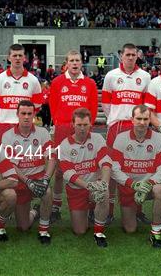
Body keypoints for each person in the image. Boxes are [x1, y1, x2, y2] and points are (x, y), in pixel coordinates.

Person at [102, 43, 151, 223]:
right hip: (116, 126)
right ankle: (109, 211)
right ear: (121, 56)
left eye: (133, 55)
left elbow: (146, 106)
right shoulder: (111, 75)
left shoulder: (145, 77)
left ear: (137, 56)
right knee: (112, 168)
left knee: (137, 167)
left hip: (137, 127)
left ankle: (137, 210)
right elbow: (106, 104)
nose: (130, 58)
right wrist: (116, 118)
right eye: (127, 55)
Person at [49, 50, 98, 222]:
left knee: (87, 167)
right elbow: (53, 104)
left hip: (83, 129)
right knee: (60, 170)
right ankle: (56, 206)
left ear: (81, 63)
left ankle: (92, 205)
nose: (75, 63)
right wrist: (59, 121)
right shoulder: (57, 82)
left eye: (77, 60)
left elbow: (93, 106)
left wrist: (86, 125)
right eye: (72, 61)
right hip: (63, 128)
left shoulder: (90, 83)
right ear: (66, 63)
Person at [110, 105, 161, 248]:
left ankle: (155, 232)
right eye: (139, 119)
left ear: (150, 120)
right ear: (132, 119)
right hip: (129, 187)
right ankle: (132, 212)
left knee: (160, 189)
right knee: (130, 230)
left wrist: (148, 183)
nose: (142, 122)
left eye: (145, 119)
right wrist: (133, 184)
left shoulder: (159, 138)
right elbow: (115, 168)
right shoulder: (121, 138)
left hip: (149, 186)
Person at [0, 100, 56, 244]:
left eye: (29, 114)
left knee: (47, 192)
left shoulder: (42, 132)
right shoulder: (8, 136)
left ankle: (44, 230)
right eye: (23, 113)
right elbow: (11, 165)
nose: (26, 117)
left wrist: (46, 178)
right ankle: (34, 211)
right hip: (20, 182)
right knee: (23, 227)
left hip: (38, 178)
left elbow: (52, 157)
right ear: (17, 114)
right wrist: (27, 181)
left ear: (34, 115)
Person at [59, 108, 111, 247]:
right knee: (80, 231)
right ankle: (90, 210)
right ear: (73, 124)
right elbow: (68, 173)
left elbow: (105, 162)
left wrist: (104, 183)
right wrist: (88, 186)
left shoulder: (98, 138)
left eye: (85, 125)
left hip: (95, 186)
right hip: (77, 190)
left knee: (104, 192)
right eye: (79, 125)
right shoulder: (64, 144)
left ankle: (99, 232)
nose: (82, 128)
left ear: (90, 125)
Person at [0, 44, 42, 144]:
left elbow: (37, 107)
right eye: (14, 55)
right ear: (9, 58)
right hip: (4, 126)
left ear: (24, 58)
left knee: (25, 158)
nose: (17, 58)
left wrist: (25, 119)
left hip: (26, 127)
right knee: (4, 158)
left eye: (20, 55)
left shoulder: (33, 80)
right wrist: (5, 117)